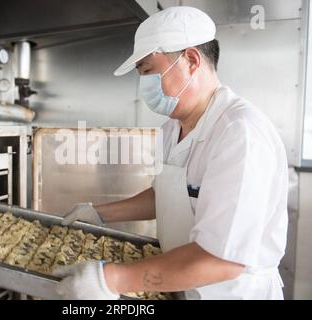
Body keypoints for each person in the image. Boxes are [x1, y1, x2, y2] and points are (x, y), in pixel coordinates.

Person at [53, 6, 288, 300]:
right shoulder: (171, 128)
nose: (145, 86)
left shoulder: (239, 133)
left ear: (191, 59)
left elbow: (223, 260)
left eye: (149, 71)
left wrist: (111, 279)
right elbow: (166, 195)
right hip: (180, 283)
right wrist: (98, 213)